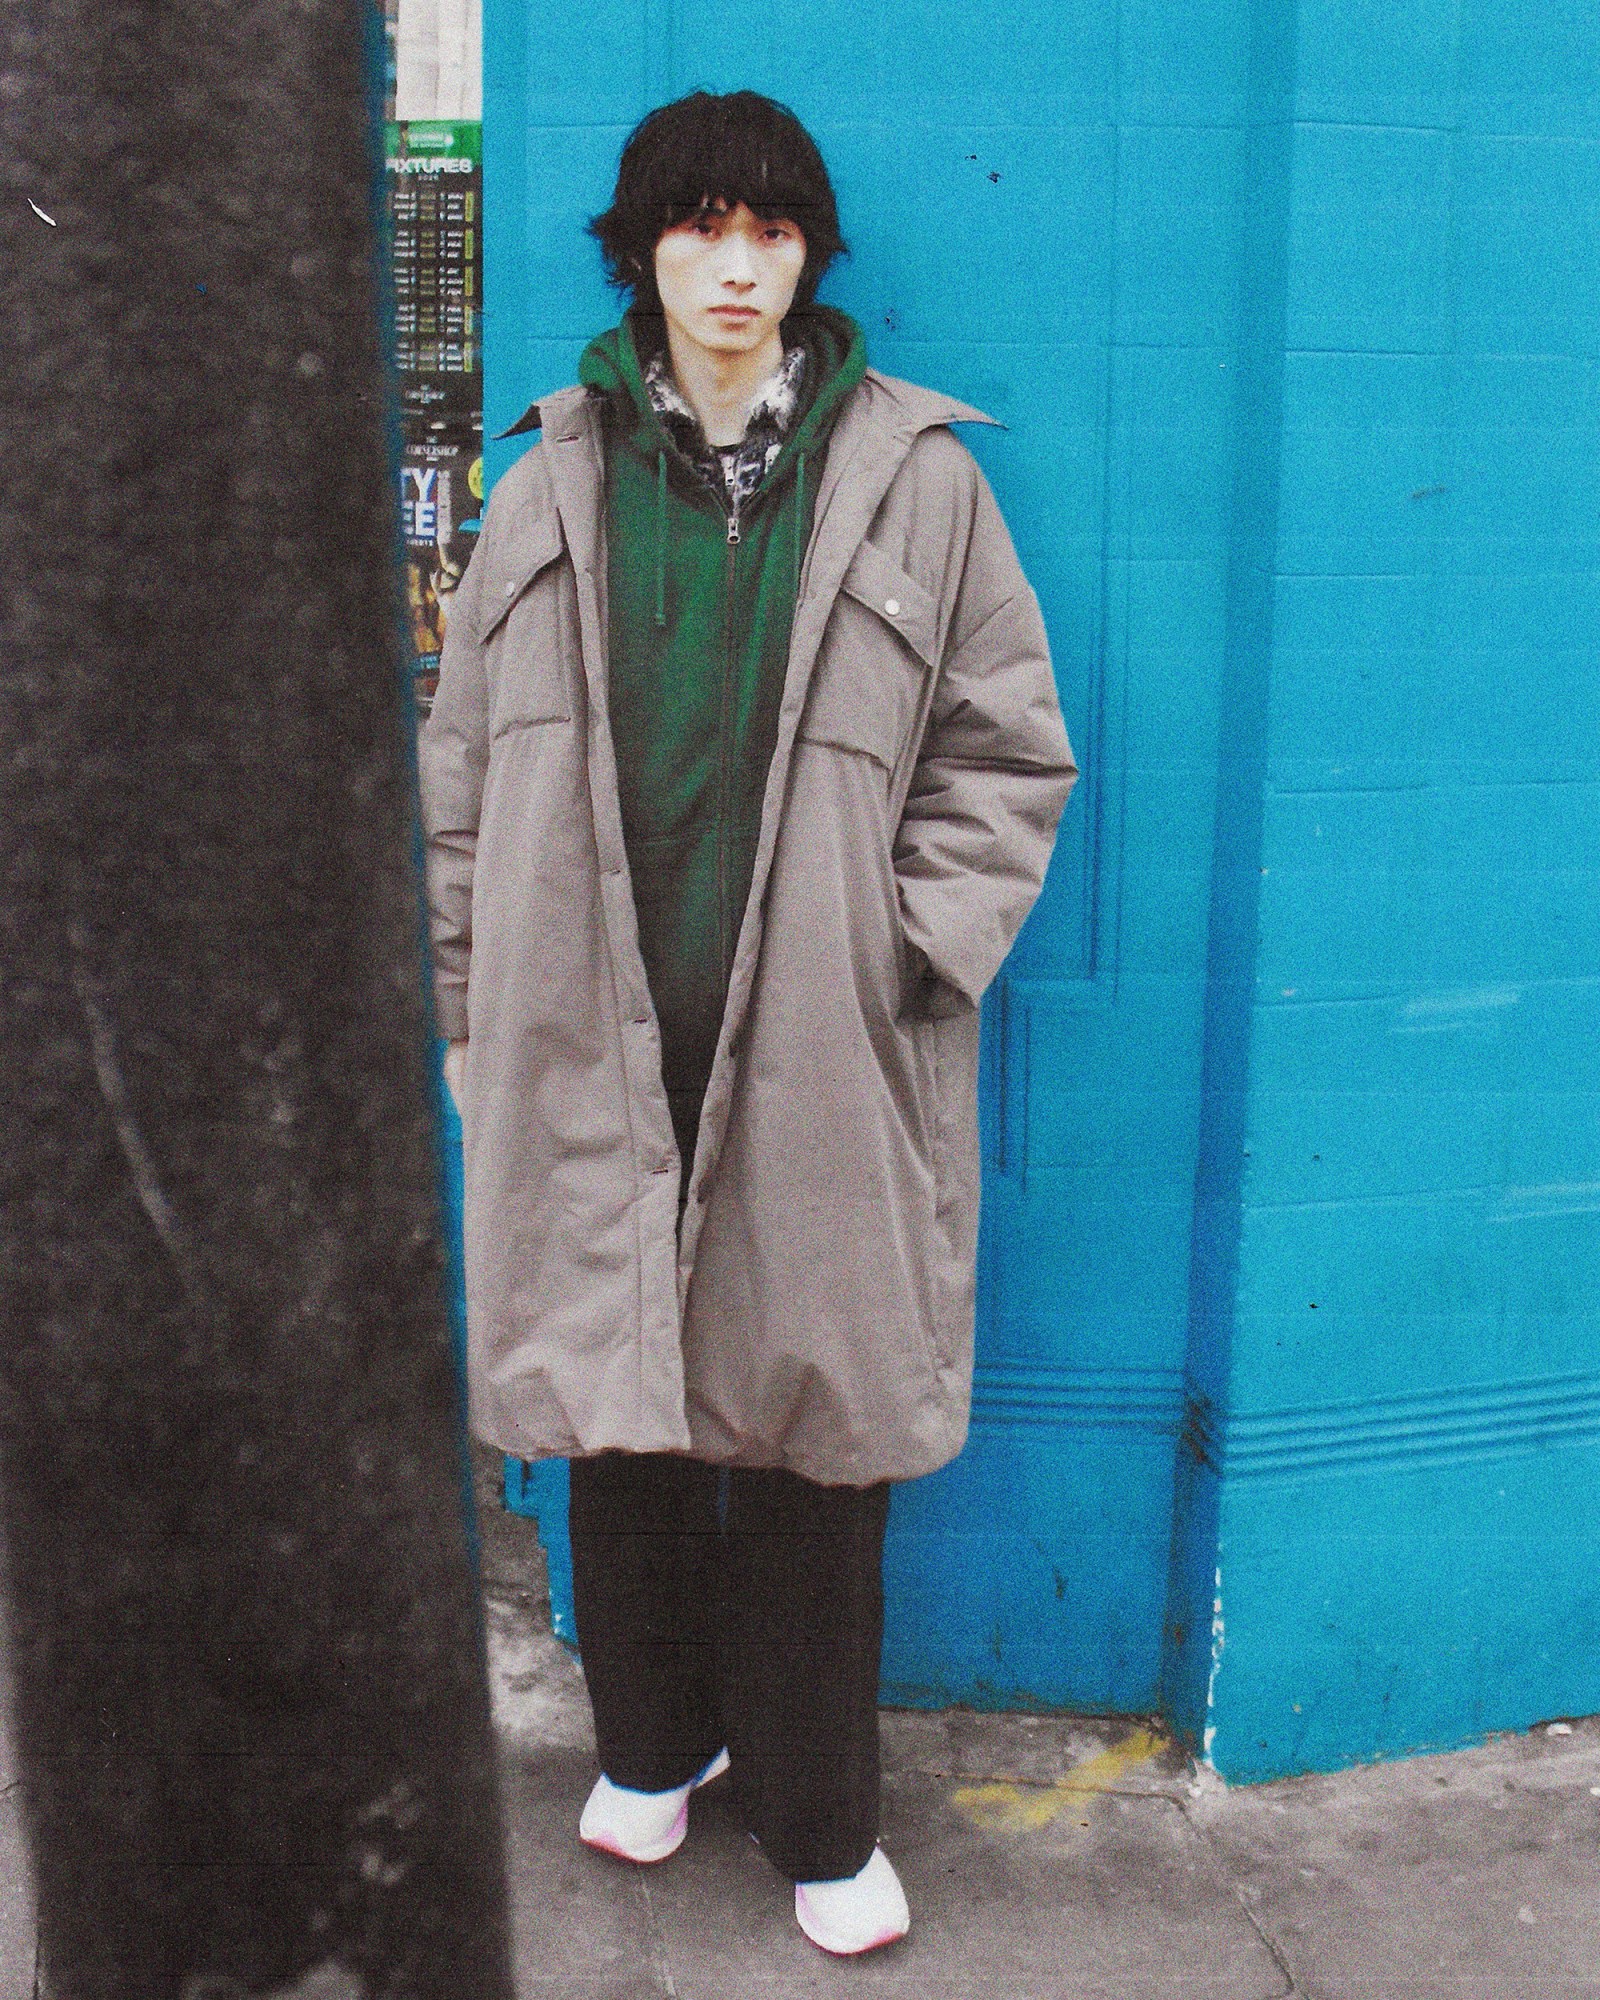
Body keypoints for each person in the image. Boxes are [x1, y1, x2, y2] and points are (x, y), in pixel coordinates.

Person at [419, 88, 1076, 1956]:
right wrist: (473, 1008)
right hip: (588, 1032)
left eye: (771, 232)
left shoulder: (917, 478)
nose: (734, 264)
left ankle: (814, 1814)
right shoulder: (547, 480)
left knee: (815, 1425)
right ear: (643, 249)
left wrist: (907, 955)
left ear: (806, 257)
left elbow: (1007, 751)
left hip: (818, 1048)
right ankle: (650, 1746)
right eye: (699, 227)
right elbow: (460, 770)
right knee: (615, 1413)